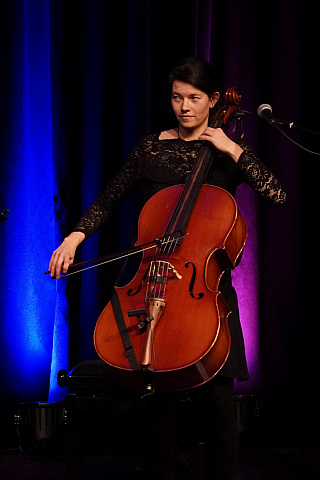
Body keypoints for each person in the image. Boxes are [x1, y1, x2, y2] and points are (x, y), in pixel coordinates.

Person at [49, 57, 286, 479]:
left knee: (218, 410)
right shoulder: (150, 148)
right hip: (153, 283)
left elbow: (279, 196)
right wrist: (74, 237)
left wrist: (234, 150)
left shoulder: (227, 154)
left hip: (206, 293)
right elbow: (109, 198)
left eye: (194, 98)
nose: (184, 107)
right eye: (177, 97)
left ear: (214, 100)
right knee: (158, 413)